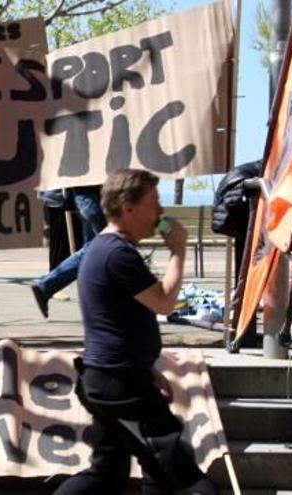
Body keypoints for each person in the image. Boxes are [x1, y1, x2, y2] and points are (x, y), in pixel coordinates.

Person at [54, 170, 217, 495]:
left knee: (109, 472)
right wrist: (178, 250)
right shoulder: (117, 254)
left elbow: (116, 323)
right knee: (180, 475)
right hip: (120, 385)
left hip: (108, 377)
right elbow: (164, 302)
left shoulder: (103, 248)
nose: (160, 212)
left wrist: (149, 368)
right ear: (128, 208)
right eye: (154, 202)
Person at [30, 186, 105, 318]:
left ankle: (46, 286)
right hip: (91, 195)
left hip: (88, 196)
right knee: (102, 247)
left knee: (94, 248)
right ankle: (47, 285)